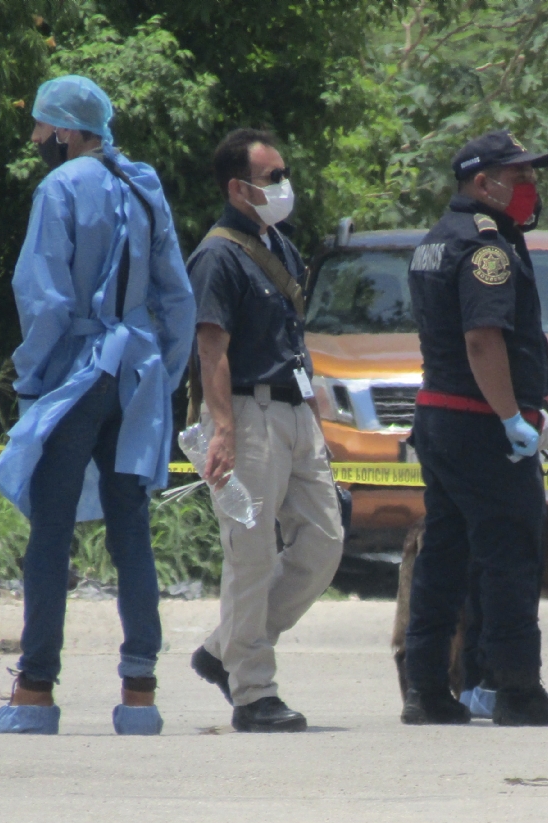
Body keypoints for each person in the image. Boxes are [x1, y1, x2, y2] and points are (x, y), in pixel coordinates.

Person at [0, 75, 195, 736]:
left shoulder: (60, 187)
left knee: (50, 531)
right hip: (138, 375)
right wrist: (163, 375)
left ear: (68, 131)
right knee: (131, 528)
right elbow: (178, 298)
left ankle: (36, 693)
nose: (37, 140)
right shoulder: (143, 185)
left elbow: (44, 299)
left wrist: (32, 379)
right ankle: (139, 696)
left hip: (77, 374)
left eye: (43, 128)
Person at [400, 130, 548, 727]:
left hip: (440, 416)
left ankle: (424, 689)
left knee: (444, 554)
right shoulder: (487, 247)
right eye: (519, 176)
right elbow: (482, 339)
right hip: (479, 421)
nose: (530, 188)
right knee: (509, 555)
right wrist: (511, 419)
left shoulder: (435, 239)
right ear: (483, 182)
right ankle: (517, 690)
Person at [185, 129, 344, 733]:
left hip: (296, 412)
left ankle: (224, 647)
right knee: (250, 556)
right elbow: (211, 346)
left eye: (282, 174)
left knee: (324, 544)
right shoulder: (219, 254)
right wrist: (221, 429)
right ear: (237, 187)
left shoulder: (281, 244)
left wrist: (314, 414)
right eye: (271, 177)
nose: (283, 186)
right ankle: (252, 692)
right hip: (247, 416)